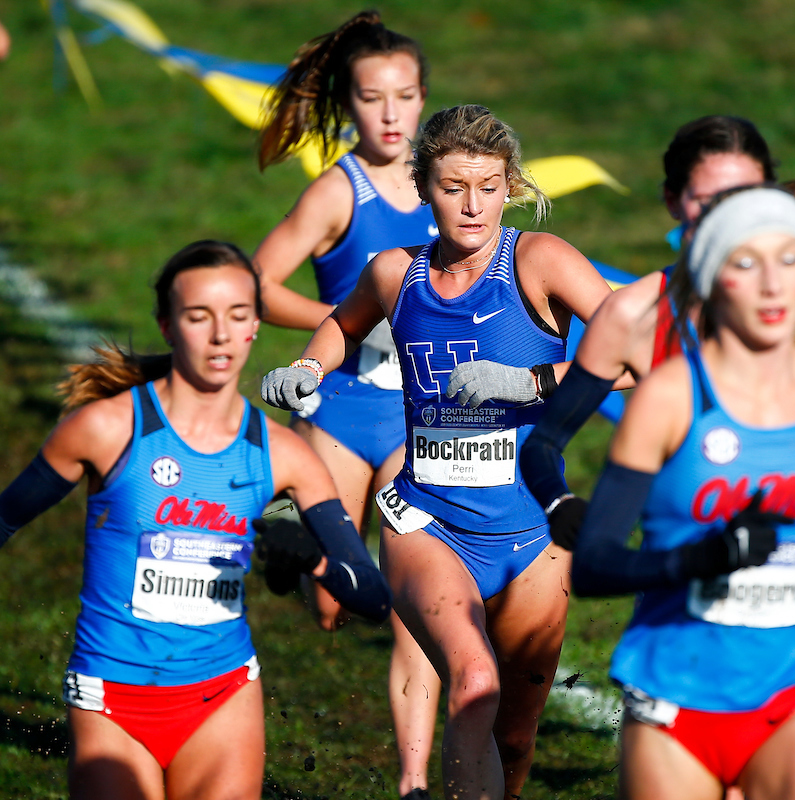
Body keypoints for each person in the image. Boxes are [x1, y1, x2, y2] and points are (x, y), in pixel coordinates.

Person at [260, 105, 623, 800]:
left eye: (488, 186)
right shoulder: (396, 273)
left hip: (532, 532)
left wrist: (525, 382)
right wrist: (309, 370)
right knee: (473, 682)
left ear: (509, 186)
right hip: (425, 518)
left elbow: (627, 359)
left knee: (515, 737)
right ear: (423, 186)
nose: (473, 204)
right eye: (454, 186)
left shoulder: (541, 262)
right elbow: (342, 324)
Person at [0, 241, 391, 799]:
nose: (220, 335)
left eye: (236, 316)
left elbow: (372, 599)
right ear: (166, 325)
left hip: (224, 698)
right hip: (111, 699)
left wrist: (310, 557)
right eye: (198, 316)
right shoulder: (105, 430)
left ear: (255, 325)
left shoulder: (284, 454)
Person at [520, 115, 795, 639]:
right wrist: (559, 502)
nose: (732, 216)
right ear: (673, 201)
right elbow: (546, 441)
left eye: (746, 196)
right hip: (685, 611)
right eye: (709, 199)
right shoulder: (634, 317)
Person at [571, 186, 795, 799]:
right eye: (746, 263)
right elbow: (594, 565)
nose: (773, 284)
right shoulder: (667, 398)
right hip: (674, 705)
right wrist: (700, 560)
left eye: (789, 260)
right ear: (713, 280)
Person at [254, 13, 441, 797]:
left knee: (415, 601)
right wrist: (345, 325)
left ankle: (413, 781)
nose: (392, 114)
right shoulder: (339, 191)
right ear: (350, 105)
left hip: (418, 420)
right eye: (373, 98)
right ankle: (289, 556)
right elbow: (258, 283)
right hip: (338, 408)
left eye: (405, 96)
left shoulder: (450, 184)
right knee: (332, 604)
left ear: (424, 98)